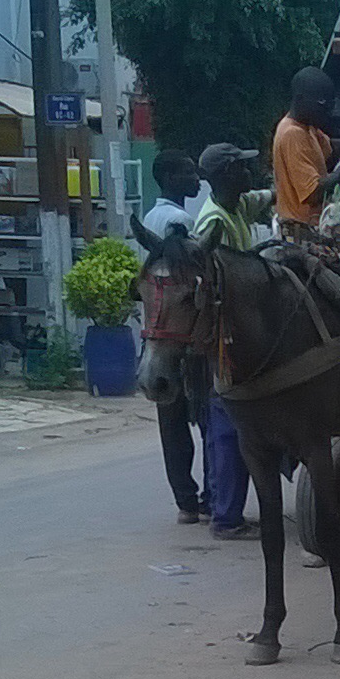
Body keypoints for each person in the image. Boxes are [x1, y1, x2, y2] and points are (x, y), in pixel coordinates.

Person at [193, 143, 276, 536]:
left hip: (241, 332)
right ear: (226, 175)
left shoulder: (237, 205)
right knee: (227, 429)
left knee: (232, 425)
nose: (250, 172)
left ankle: (225, 509)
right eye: (243, 168)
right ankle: (226, 516)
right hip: (227, 338)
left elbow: (272, 196)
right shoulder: (213, 224)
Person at [135, 149, 208, 524]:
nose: (197, 180)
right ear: (169, 178)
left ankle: (185, 500)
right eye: (189, 173)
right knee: (205, 414)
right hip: (180, 329)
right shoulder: (179, 221)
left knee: (171, 419)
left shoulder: (151, 216)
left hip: (156, 327)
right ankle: (210, 496)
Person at [272, 67, 340, 240]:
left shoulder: (307, 127)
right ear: (300, 99)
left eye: (330, 103)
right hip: (301, 234)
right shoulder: (291, 134)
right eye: (322, 104)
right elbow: (313, 194)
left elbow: (332, 147)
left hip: (312, 229)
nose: (328, 110)